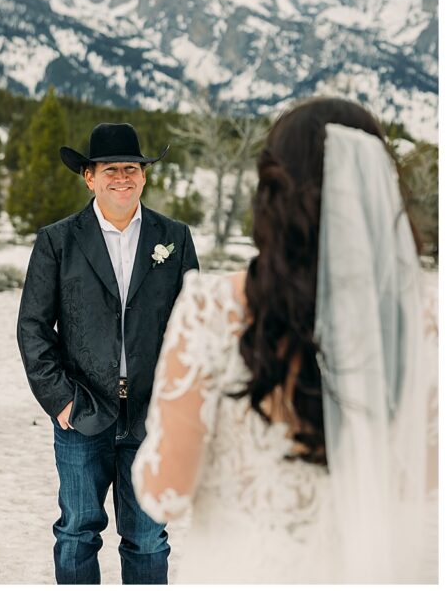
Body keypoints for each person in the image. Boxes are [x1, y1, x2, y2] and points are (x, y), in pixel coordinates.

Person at [131, 97, 438, 583]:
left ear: (272, 192)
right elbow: (421, 476)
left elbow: (164, 492)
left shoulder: (214, 308)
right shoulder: (415, 320)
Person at [17, 122, 199, 584]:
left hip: (151, 415)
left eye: (132, 168)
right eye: (111, 169)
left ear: (144, 175)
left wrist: (178, 403)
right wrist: (61, 400)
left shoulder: (174, 238)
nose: (123, 177)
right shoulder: (57, 240)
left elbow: (192, 328)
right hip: (82, 411)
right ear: (89, 177)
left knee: (148, 537)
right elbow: (33, 328)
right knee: (77, 533)